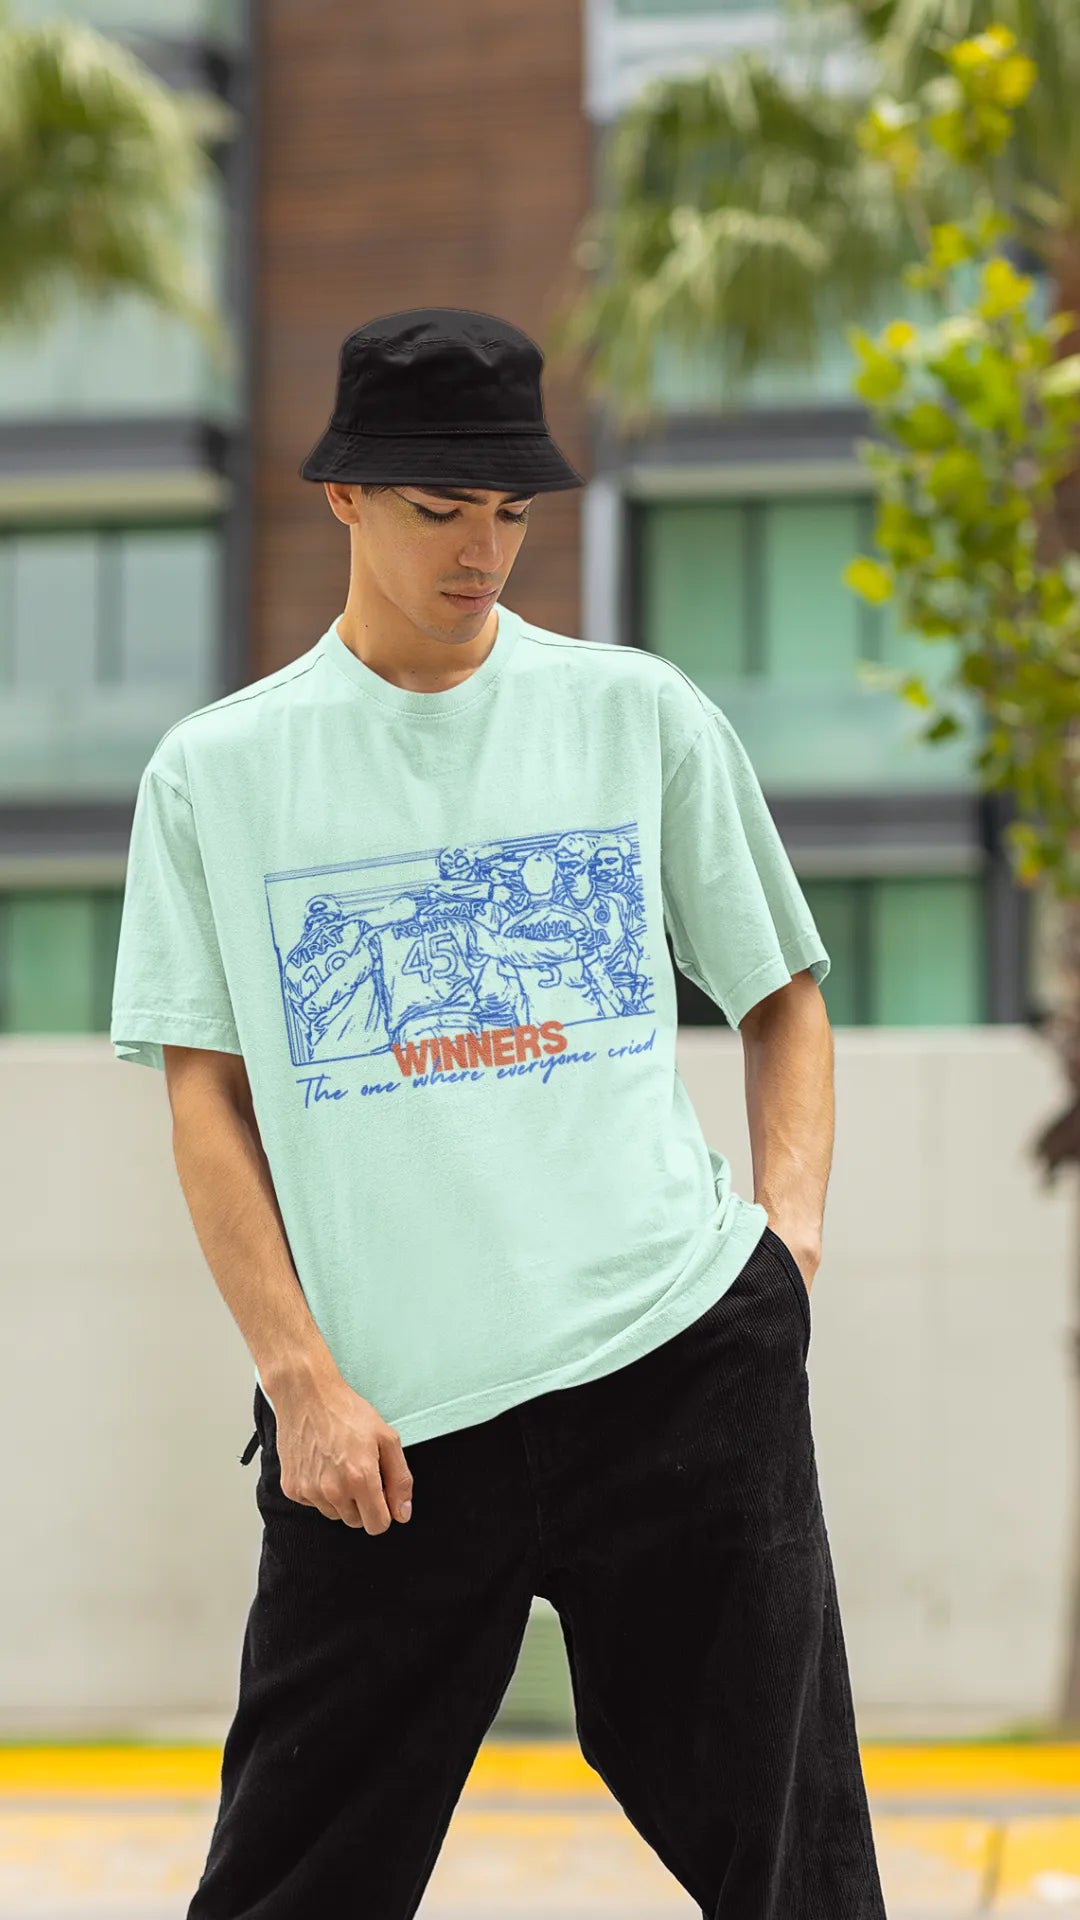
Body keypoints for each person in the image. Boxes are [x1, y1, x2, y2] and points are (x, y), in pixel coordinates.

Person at [110, 306, 888, 1918]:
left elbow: (783, 995)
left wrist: (785, 1251)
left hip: (677, 1373)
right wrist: (300, 1381)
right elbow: (208, 1107)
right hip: (383, 1439)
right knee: (286, 1888)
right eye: (439, 509)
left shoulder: (636, 716)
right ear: (342, 497)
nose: (485, 550)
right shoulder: (219, 774)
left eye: (512, 512)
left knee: (794, 1876)